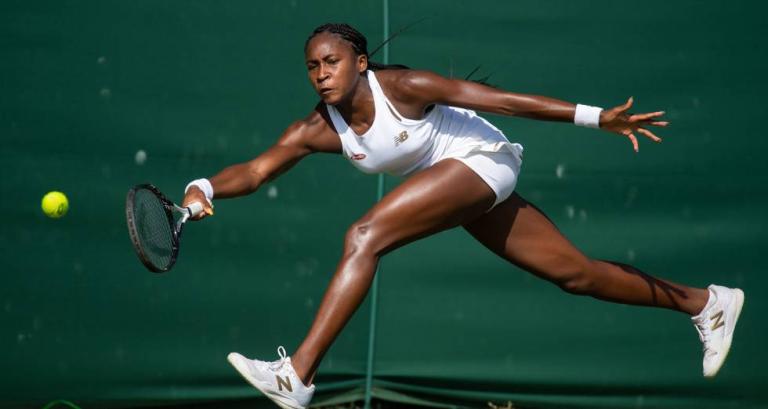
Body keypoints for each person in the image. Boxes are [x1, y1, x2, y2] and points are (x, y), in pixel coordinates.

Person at [182, 23, 744, 409]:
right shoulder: (317, 127)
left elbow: (502, 101)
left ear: (360, 62)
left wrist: (597, 118)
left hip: (483, 161)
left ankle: (298, 375)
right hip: (454, 187)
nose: (322, 74)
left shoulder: (404, 87)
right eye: (313, 66)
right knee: (577, 275)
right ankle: (706, 304)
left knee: (364, 236)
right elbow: (255, 171)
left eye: (332, 61)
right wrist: (203, 187)